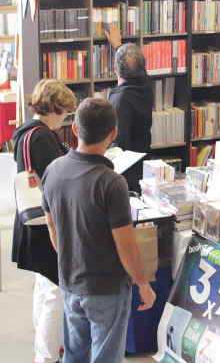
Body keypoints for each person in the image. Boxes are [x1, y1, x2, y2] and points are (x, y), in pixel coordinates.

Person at [41, 98, 156, 363]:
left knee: (74, 354)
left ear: (74, 129)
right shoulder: (111, 183)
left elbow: (51, 225)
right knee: (105, 356)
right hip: (107, 288)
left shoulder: (53, 171)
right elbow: (125, 245)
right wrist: (142, 283)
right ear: (113, 134)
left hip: (70, 280)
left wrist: (71, 258)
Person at [11, 79, 77, 363]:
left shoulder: (27, 133)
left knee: (44, 287)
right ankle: (47, 355)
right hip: (44, 224)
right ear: (55, 109)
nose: (65, 120)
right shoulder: (41, 137)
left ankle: (44, 348)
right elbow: (56, 180)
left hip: (31, 221)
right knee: (55, 293)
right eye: (65, 114)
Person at [105, 25, 154, 191]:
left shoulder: (120, 101)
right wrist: (118, 47)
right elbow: (134, 66)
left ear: (115, 69)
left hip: (125, 173)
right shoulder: (146, 86)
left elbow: (118, 144)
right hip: (143, 163)